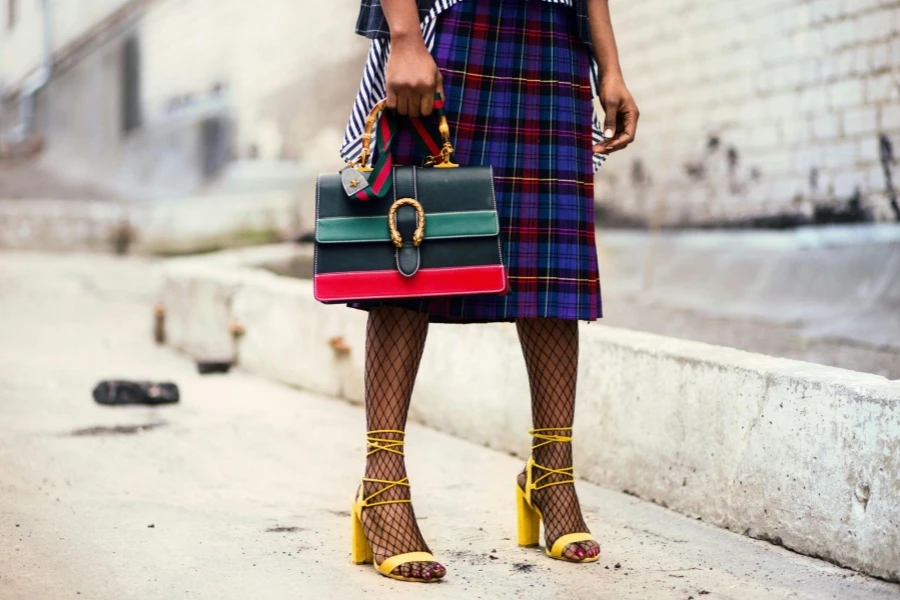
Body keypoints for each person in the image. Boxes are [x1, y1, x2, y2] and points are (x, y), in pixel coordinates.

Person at [342, 0, 639, 583]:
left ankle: (551, 476)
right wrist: (403, 33)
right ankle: (381, 486)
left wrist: (610, 66)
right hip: (453, 29)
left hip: (553, 40)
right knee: (413, 251)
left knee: (552, 263)